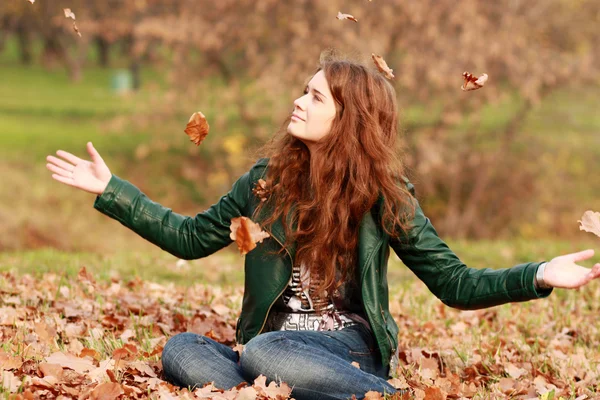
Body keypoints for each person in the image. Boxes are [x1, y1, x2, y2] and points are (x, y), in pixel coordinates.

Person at [46, 53, 600, 400]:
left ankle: (377, 394)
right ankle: (280, 390)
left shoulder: (386, 198)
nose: (297, 100)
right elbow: (190, 239)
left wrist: (540, 274)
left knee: (263, 356)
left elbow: (454, 283)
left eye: (314, 96)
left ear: (349, 118)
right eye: (303, 90)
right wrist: (114, 191)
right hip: (265, 342)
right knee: (182, 351)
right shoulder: (264, 184)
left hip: (347, 350)